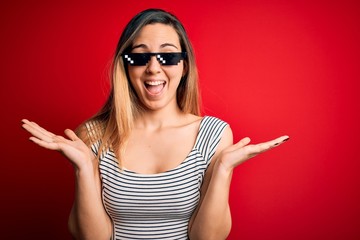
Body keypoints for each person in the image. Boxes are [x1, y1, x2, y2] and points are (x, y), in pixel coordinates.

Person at [22, 8, 289, 240]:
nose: (153, 68)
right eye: (139, 57)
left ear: (184, 66)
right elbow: (93, 237)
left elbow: (206, 238)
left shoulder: (213, 135)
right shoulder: (94, 135)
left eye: (168, 56)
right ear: (125, 67)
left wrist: (222, 169)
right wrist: (83, 169)